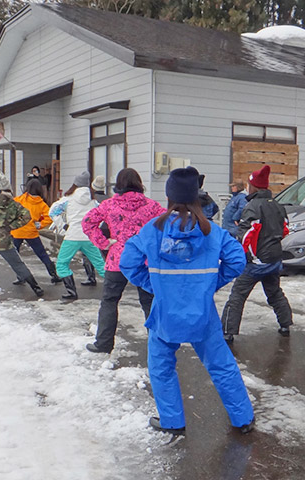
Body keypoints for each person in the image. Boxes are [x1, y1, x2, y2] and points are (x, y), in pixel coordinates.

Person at [120, 166, 255, 435]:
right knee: (222, 365)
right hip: (202, 314)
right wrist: (208, 286)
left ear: (169, 196)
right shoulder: (211, 231)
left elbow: (128, 262)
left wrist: (156, 287)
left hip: (165, 315)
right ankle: (243, 419)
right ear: (196, 196)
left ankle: (172, 421)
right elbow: (238, 260)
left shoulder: (153, 230)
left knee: (161, 368)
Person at [82, 168, 165, 354]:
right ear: (139, 183)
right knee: (150, 301)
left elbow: (87, 222)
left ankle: (103, 343)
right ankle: (158, 344)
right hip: (145, 260)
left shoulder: (109, 205)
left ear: (118, 185)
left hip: (117, 259)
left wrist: (103, 242)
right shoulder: (152, 206)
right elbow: (168, 223)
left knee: (110, 301)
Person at [221, 164, 293, 343]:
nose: (247, 187)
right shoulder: (277, 205)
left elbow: (246, 236)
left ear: (254, 186)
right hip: (274, 259)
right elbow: (285, 228)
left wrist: (242, 256)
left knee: (237, 295)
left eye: (248, 184)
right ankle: (285, 324)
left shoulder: (252, 206)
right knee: (275, 292)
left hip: (255, 261)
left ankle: (227, 332)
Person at [49, 171, 105, 301]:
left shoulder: (68, 200)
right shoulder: (93, 201)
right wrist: (93, 229)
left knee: (62, 264)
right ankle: (114, 288)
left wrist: (63, 227)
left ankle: (71, 292)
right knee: (101, 265)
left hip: (72, 236)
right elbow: (102, 216)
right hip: (88, 237)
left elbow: (52, 211)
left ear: (75, 184)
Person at [10, 179, 60, 284]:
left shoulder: (20, 199)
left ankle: (21, 276)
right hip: (31, 232)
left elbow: (10, 209)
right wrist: (40, 224)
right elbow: (49, 216)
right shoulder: (41, 203)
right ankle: (54, 275)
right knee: (42, 254)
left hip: (17, 231)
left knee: (15, 255)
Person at [80, 175, 110, 287]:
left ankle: (91, 277)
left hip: (96, 228)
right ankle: (111, 275)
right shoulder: (109, 199)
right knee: (108, 253)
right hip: (108, 229)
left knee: (87, 253)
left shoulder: (90, 199)